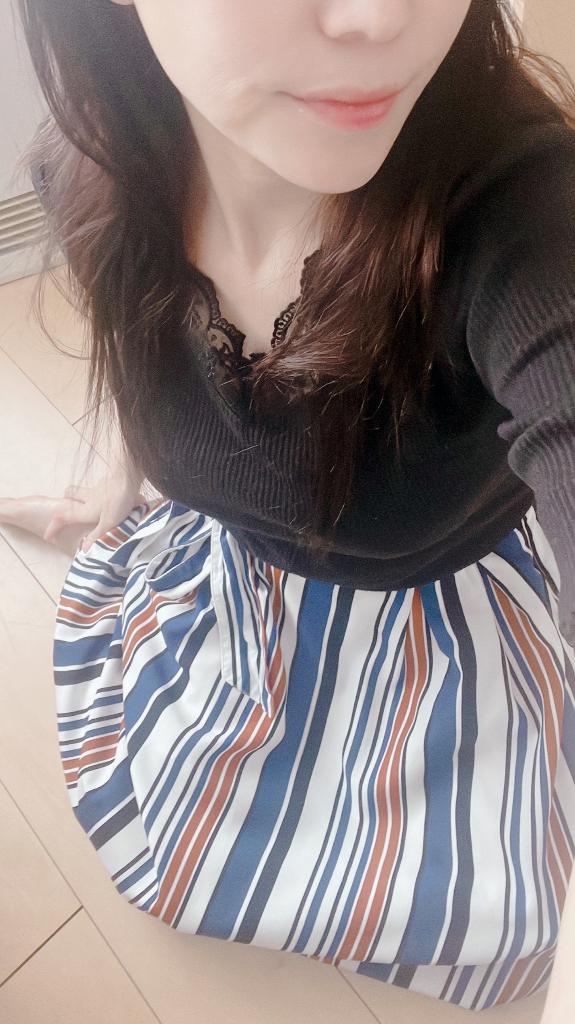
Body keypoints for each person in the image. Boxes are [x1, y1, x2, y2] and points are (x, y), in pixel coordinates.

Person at [3, 0, 575, 1016]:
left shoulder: (529, 221)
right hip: (234, 598)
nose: (380, 17)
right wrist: (120, 477)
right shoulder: (89, 161)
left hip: (443, 631)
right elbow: (136, 342)